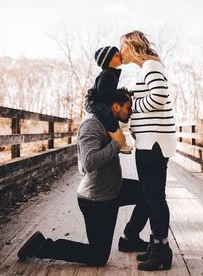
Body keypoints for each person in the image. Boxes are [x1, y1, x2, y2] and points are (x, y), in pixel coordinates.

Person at [17, 88, 149, 266]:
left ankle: (130, 238)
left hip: (114, 189)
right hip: (96, 200)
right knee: (97, 256)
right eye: (128, 106)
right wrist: (116, 145)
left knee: (149, 194)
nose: (130, 111)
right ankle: (41, 246)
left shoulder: (108, 123)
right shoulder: (92, 124)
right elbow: (89, 162)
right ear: (116, 106)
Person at [120, 31, 176, 271]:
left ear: (132, 47)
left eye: (122, 47)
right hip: (148, 142)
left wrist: (133, 109)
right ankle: (155, 246)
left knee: (155, 197)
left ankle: (162, 250)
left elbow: (159, 98)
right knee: (151, 195)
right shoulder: (147, 68)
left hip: (154, 143)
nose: (120, 52)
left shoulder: (152, 66)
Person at [84, 45, 133, 154]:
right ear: (108, 61)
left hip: (98, 100)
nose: (119, 55)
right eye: (116, 55)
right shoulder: (107, 74)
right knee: (108, 115)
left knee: (112, 117)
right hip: (92, 101)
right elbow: (102, 90)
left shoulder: (112, 73)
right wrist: (116, 96)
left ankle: (119, 142)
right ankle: (119, 143)